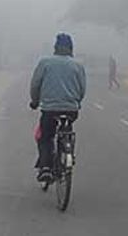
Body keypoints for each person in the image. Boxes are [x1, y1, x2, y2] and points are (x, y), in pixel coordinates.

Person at [29, 33, 86, 183]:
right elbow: (82, 89)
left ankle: (46, 167)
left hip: (49, 110)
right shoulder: (77, 65)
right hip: (71, 110)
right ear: (71, 48)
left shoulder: (45, 63)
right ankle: (68, 150)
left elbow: (35, 85)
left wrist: (35, 101)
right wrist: (76, 102)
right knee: (66, 128)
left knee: (45, 136)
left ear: (55, 48)